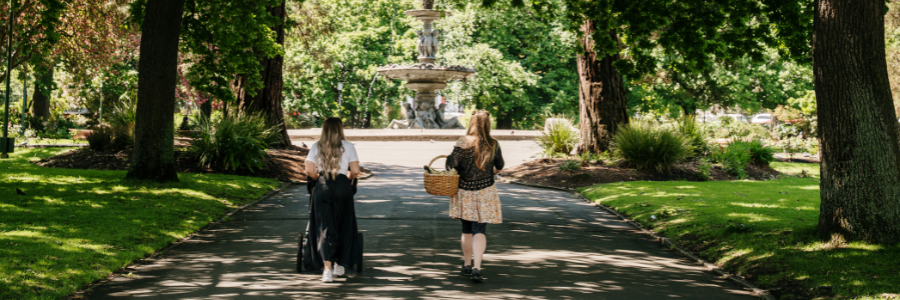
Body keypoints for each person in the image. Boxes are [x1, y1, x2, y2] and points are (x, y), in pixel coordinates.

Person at [445, 110, 504, 282]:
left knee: (466, 229)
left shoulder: (463, 142)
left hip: (464, 191)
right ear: (488, 124)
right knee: (480, 230)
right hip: (486, 191)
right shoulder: (493, 143)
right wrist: (490, 173)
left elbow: (451, 166)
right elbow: (499, 165)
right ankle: (477, 267)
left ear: (471, 123)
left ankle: (467, 264)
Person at [304, 117, 362, 282]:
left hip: (323, 185)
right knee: (342, 224)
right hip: (342, 186)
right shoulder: (348, 146)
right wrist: (347, 176)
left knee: (324, 226)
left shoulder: (317, 146)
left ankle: (327, 269)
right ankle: (339, 264)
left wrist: (317, 176)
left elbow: (308, 169)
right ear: (340, 129)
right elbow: (356, 171)